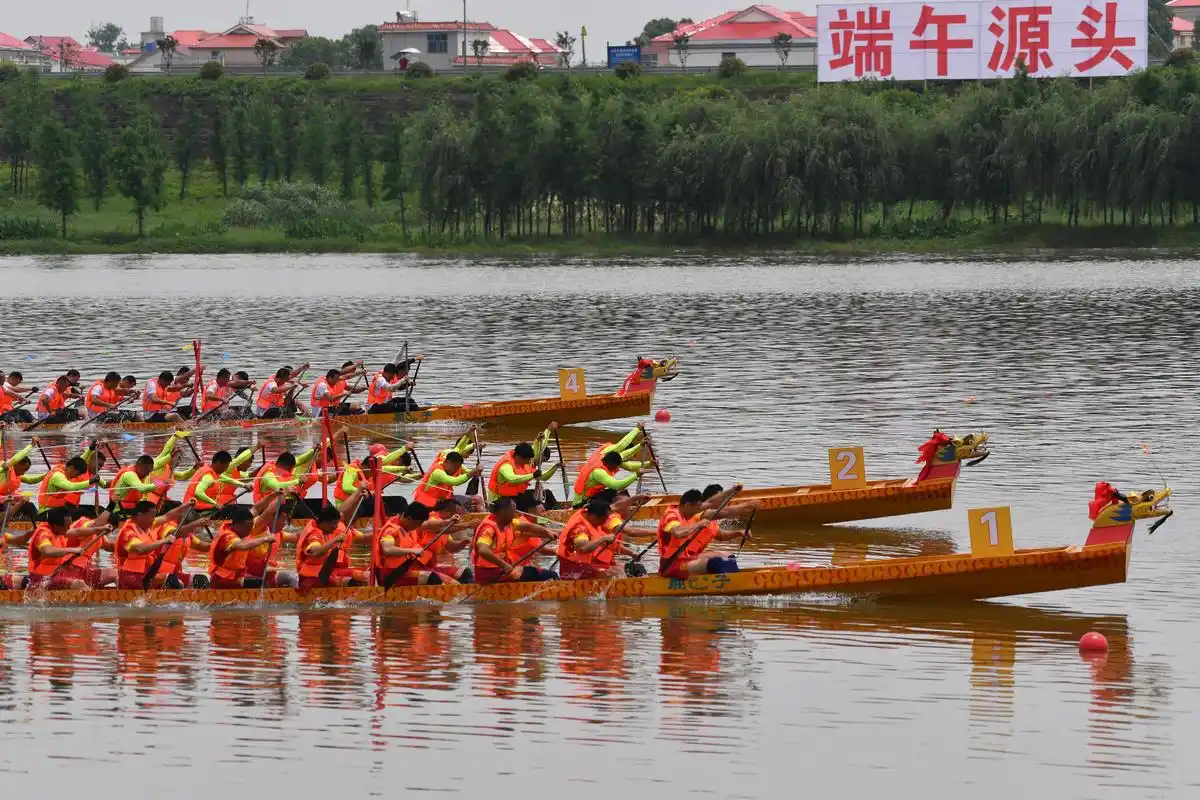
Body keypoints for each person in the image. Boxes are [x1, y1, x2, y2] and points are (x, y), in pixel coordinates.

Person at [655, 485, 757, 579]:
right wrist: (697, 524)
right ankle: (727, 583)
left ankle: (732, 579)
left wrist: (732, 490)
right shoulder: (671, 515)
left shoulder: (691, 510)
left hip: (686, 558)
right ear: (688, 505)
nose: (697, 512)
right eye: (696, 509)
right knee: (715, 563)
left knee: (729, 557)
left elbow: (711, 503)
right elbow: (678, 533)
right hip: (670, 565)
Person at [375, 500, 471, 586]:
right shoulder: (391, 530)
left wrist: (461, 540)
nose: (420, 527)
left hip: (413, 568)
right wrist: (412, 551)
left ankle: (467, 597)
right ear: (409, 519)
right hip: (393, 574)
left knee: (465, 573)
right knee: (432, 578)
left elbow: (428, 525)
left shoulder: (411, 526)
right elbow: (387, 549)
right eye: (419, 524)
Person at [113, 500, 199, 589]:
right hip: (130, 576)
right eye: (152, 517)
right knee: (172, 581)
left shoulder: (146, 524)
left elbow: (167, 516)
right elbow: (141, 549)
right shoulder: (128, 531)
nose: (154, 520)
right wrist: (164, 540)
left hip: (147, 574)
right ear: (140, 515)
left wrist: (187, 505)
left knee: (198, 580)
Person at [470, 497, 558, 584]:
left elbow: (529, 526)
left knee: (548, 574)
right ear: (502, 510)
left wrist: (547, 532)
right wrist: (503, 565)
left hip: (502, 569)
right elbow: (482, 550)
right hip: (489, 573)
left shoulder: (509, 523)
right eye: (512, 510)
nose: (515, 514)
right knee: (544, 575)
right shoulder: (489, 528)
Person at [25, 507, 115, 590]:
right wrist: (73, 550)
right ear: (56, 525)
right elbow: (47, 551)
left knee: (113, 573)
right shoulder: (42, 533)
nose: (69, 529)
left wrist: (100, 529)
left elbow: (77, 531)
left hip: (55, 576)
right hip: (41, 579)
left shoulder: (60, 531)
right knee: (79, 584)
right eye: (66, 527)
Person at [295, 491, 369, 589]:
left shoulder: (329, 528)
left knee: (366, 573)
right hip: (311, 579)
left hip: (325, 573)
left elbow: (363, 538)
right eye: (334, 524)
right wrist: (335, 541)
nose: (335, 527)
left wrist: (358, 494)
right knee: (356, 578)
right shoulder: (314, 534)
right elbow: (313, 551)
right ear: (325, 521)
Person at [107, 430, 188, 518]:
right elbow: (142, 488)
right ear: (138, 466)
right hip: (120, 510)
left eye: (150, 471)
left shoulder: (147, 468)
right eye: (146, 471)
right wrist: (162, 483)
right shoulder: (130, 475)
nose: (148, 474)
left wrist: (171, 455)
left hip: (136, 505)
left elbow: (159, 462)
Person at [556, 498, 642, 580]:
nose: (605, 522)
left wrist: (631, 553)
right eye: (604, 519)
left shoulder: (587, 513)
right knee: (616, 573)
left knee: (624, 569)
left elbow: (615, 506)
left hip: (584, 566)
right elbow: (583, 548)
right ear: (595, 516)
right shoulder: (579, 528)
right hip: (573, 570)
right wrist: (603, 539)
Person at [571, 424, 653, 507]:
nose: (616, 469)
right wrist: (637, 429)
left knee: (617, 492)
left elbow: (630, 466)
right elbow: (617, 485)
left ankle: (628, 504)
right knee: (615, 490)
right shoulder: (598, 471)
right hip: (581, 504)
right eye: (616, 467)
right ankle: (627, 505)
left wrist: (649, 462)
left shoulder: (610, 458)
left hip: (591, 497)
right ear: (611, 464)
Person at [207, 504, 279, 589]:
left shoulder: (232, 524)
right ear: (238, 524)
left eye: (251, 527)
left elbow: (255, 509)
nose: (250, 531)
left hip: (234, 578)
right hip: (223, 581)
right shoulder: (227, 537)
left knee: (268, 575)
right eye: (248, 527)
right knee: (264, 583)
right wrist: (266, 538)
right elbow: (242, 545)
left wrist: (275, 495)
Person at [487, 425, 561, 504]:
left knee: (547, 493)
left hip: (513, 496)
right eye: (528, 460)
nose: (530, 462)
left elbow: (539, 449)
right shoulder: (506, 465)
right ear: (519, 457)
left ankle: (556, 509)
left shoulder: (525, 461)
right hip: (499, 500)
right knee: (531, 499)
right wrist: (533, 475)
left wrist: (555, 467)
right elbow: (512, 479)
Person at [412, 450, 483, 512]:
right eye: (455, 467)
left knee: (478, 499)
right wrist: (474, 471)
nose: (455, 470)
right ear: (448, 462)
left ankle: (486, 518)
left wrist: (476, 471)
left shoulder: (454, 466)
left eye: (457, 468)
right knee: (458, 509)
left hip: (443, 501)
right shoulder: (437, 472)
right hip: (428, 506)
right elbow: (455, 481)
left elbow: (468, 472)